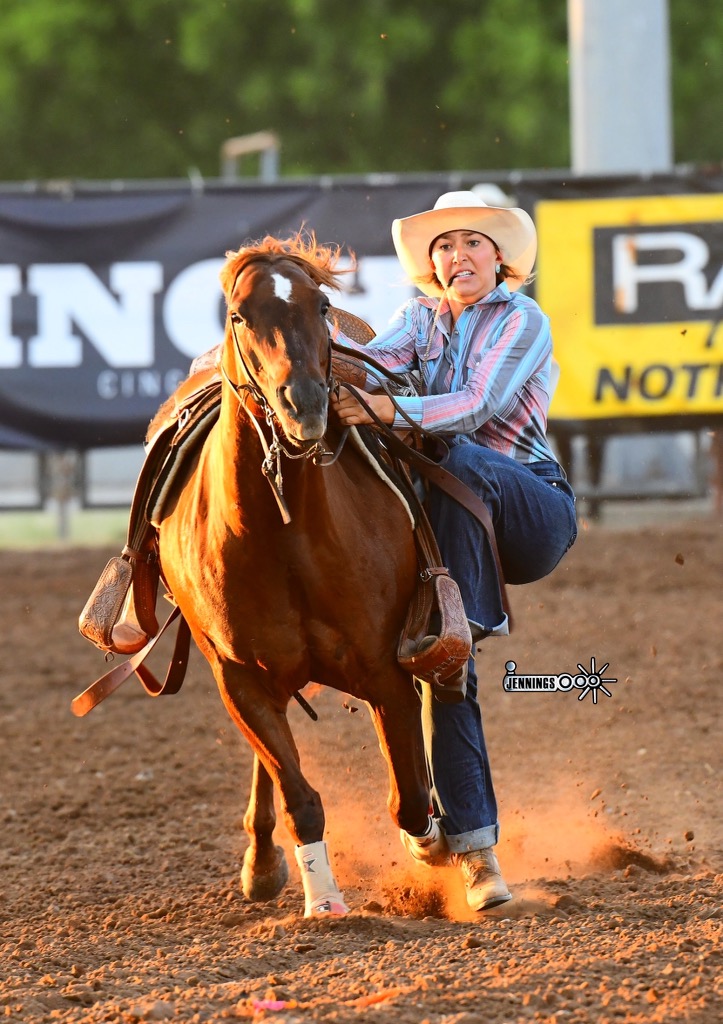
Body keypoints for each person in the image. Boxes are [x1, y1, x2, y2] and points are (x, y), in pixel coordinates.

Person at [330, 191, 578, 911]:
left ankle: (458, 626)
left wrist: (382, 409)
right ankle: (473, 851)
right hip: (451, 517)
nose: (456, 256)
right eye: (444, 245)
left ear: (499, 258)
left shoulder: (523, 320)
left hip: (530, 508)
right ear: (431, 262)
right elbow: (370, 364)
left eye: (472, 243)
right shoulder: (417, 319)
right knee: (449, 686)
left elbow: (475, 405)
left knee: (463, 454)